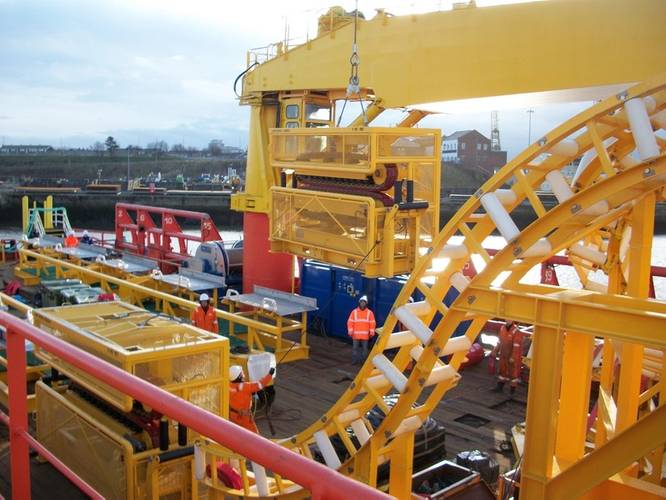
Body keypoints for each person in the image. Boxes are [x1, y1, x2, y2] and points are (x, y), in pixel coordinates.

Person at [229, 365, 274, 433]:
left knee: (237, 432)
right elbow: (260, 384)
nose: (243, 373)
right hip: (245, 416)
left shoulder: (228, 386)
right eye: (241, 372)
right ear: (240, 376)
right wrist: (270, 374)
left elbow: (238, 392)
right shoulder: (245, 386)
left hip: (233, 415)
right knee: (254, 435)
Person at [491, 320, 526, 395]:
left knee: (513, 373)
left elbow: (517, 346)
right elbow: (499, 341)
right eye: (507, 318)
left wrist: (513, 357)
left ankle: (512, 392)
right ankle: (499, 387)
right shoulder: (502, 328)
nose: (508, 320)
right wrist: (495, 351)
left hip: (512, 356)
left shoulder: (517, 331)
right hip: (503, 354)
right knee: (502, 370)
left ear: (513, 320)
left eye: (510, 319)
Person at [347, 295, 376, 365]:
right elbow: (350, 322)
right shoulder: (354, 312)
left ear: (366, 303)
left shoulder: (370, 313)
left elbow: (372, 323)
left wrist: (371, 333)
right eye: (361, 302)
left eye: (364, 302)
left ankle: (363, 363)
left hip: (365, 336)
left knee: (365, 350)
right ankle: (354, 361)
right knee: (355, 349)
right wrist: (350, 332)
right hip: (355, 335)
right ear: (359, 303)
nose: (362, 304)